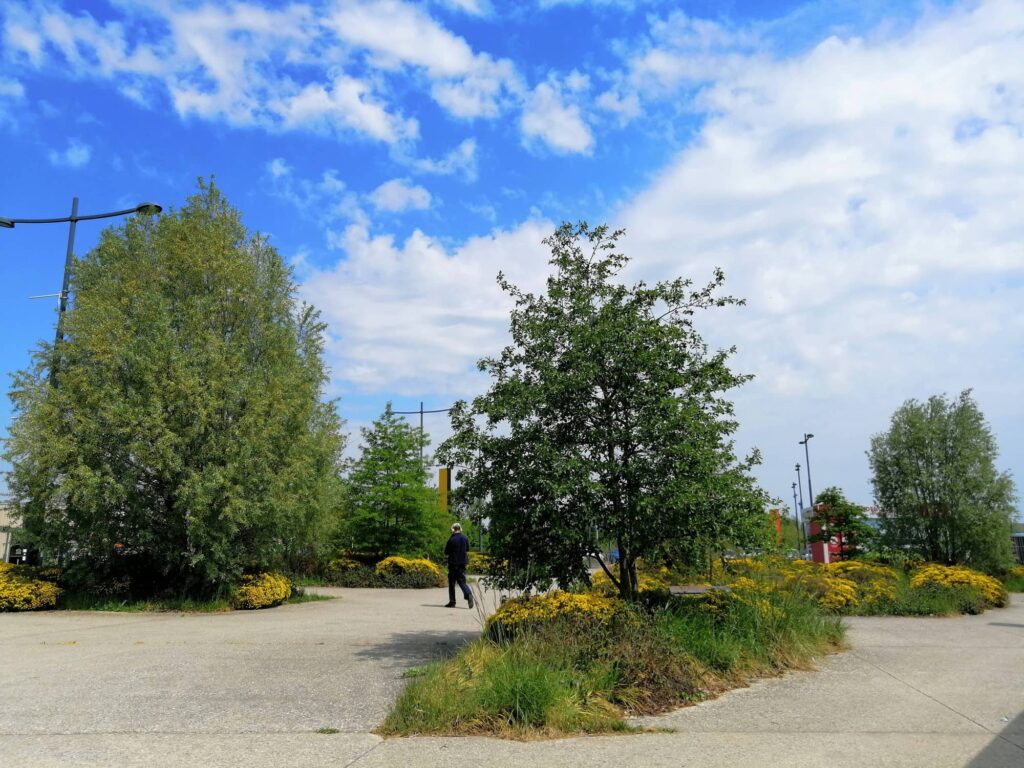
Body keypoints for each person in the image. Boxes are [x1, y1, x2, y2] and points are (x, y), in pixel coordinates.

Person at [444, 522, 474, 608]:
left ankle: (452, 602)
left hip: (453, 564)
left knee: (452, 583)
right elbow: (467, 549)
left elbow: (446, 552)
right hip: (462, 564)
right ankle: (468, 594)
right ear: (460, 529)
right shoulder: (465, 538)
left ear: (453, 529)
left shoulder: (451, 540)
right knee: (462, 581)